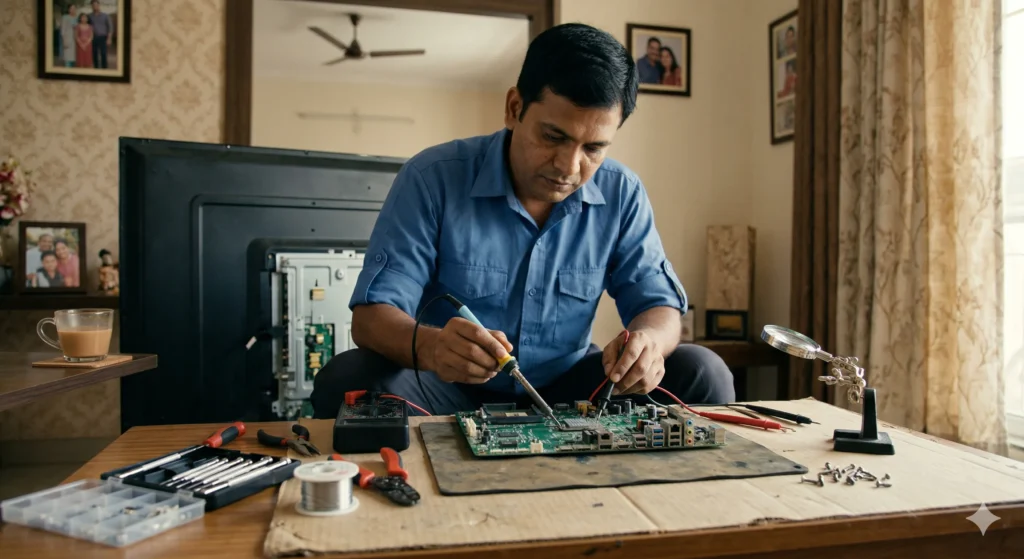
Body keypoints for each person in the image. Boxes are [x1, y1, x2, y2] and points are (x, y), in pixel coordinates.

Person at [309, 23, 734, 419]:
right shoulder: (432, 178)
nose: (570, 166)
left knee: (703, 371)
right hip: (447, 388)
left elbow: (658, 306)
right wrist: (435, 346)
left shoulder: (622, 193)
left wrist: (649, 346)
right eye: (554, 137)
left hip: (571, 389)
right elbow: (372, 318)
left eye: (594, 148)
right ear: (514, 108)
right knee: (349, 380)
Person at [87, 0, 111, 69]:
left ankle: (104, 70)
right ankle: (96, 69)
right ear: (91, 6)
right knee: (94, 54)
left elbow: (110, 28)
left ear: (99, 5)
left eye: (96, 5)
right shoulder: (89, 16)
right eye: (93, 5)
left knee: (103, 54)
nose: (95, 7)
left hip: (103, 37)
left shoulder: (105, 16)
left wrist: (109, 38)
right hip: (93, 37)